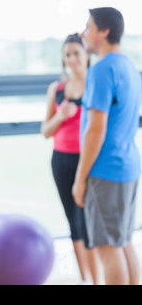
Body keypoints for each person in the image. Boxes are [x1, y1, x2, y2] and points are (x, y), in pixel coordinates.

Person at [72, 7, 141, 285]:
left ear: (104, 31)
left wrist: (80, 178)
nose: (83, 34)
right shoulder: (129, 66)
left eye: (88, 27)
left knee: (107, 249)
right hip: (127, 167)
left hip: (106, 170)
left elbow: (95, 130)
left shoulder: (101, 69)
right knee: (123, 242)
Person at [41, 33, 101, 284]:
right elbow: (46, 131)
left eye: (77, 53)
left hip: (88, 161)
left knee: (90, 225)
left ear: (87, 55)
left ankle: (99, 279)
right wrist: (60, 116)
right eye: (67, 54)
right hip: (61, 161)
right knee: (73, 224)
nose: (72, 59)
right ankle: (86, 279)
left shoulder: (96, 86)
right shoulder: (57, 89)